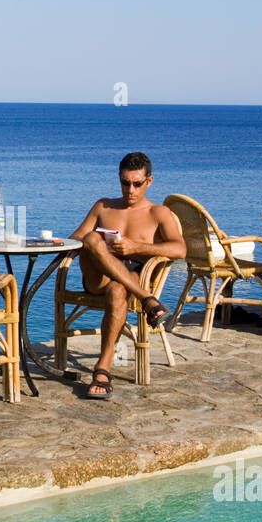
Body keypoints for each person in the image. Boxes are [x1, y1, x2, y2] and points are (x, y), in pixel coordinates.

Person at [69, 152, 186, 400]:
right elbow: (76, 238)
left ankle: (102, 369)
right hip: (98, 277)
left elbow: (180, 249)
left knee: (118, 290)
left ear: (149, 181)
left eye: (137, 183)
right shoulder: (103, 206)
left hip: (131, 278)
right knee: (91, 238)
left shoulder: (158, 213)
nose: (130, 189)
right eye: (125, 182)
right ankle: (148, 300)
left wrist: (136, 247)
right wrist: (103, 246)